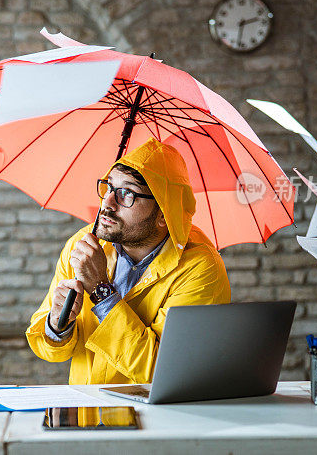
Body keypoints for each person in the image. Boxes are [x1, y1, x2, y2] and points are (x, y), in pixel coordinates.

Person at [25, 138, 230, 384]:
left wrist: (102, 291)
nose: (107, 203)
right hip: (86, 410)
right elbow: (49, 350)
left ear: (164, 214)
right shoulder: (83, 245)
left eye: (126, 193)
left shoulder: (201, 269)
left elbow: (165, 371)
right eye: (108, 187)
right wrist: (59, 325)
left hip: (158, 417)